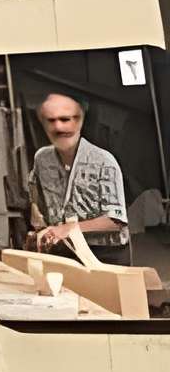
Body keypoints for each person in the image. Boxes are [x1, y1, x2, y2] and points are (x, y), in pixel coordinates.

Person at [28, 92, 131, 265]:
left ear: (79, 121)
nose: (58, 127)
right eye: (51, 121)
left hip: (104, 251)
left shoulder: (103, 161)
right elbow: (37, 200)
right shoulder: (42, 159)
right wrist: (41, 227)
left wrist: (70, 229)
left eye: (65, 119)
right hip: (64, 248)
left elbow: (116, 220)